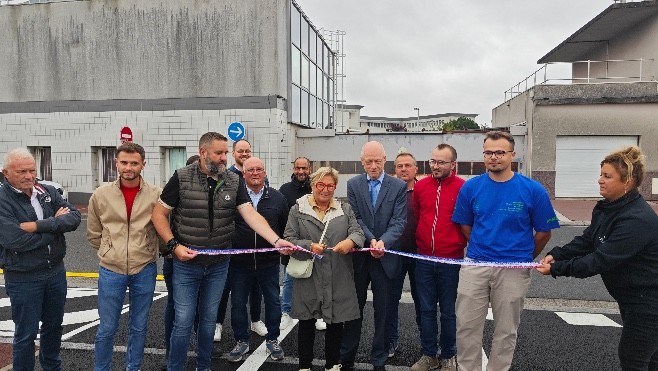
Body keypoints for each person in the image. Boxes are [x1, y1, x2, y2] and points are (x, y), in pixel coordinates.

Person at [151, 132, 295, 371]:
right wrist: (173, 246)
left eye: (226, 152)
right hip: (186, 264)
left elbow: (250, 214)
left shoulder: (232, 180)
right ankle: (174, 367)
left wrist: (276, 240)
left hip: (218, 264)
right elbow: (159, 214)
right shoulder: (181, 177)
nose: (224, 158)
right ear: (203, 153)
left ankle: (204, 366)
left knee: (208, 322)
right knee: (184, 320)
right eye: (219, 153)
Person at [537, 146, 658, 371]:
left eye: (607, 176)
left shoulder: (637, 220)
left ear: (628, 181)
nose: (599, 180)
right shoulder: (608, 208)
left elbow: (599, 261)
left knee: (634, 359)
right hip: (633, 297)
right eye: (601, 174)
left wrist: (556, 269)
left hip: (648, 301)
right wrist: (558, 254)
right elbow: (588, 240)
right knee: (649, 359)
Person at [452, 131, 559, 371]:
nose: (494, 157)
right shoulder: (471, 188)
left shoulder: (533, 190)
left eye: (500, 152)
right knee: (466, 327)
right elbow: (465, 226)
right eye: (489, 152)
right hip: (475, 265)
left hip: (514, 269)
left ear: (513, 154)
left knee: (506, 330)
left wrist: (523, 257)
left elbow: (544, 232)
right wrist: (483, 247)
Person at [0, 148, 81, 371]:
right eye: (22, 171)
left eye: (32, 170)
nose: (29, 176)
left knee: (54, 327)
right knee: (26, 334)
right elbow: (15, 240)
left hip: (55, 272)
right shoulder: (2, 199)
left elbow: (73, 219)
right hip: (23, 277)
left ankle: (52, 368)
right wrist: (55, 226)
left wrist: (37, 226)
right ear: (5, 173)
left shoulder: (46, 191)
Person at [87, 142, 162, 371]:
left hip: (144, 268)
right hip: (111, 270)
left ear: (143, 164)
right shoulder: (100, 194)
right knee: (107, 328)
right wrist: (110, 251)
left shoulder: (156, 194)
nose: (128, 167)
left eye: (134, 163)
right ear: (116, 163)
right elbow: (93, 233)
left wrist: (146, 250)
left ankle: (133, 367)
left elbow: (161, 228)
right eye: (124, 162)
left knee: (139, 327)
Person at [284, 166, 365, 371]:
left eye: (330, 185)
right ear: (313, 185)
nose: (325, 189)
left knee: (336, 322)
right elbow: (289, 240)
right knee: (306, 321)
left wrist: (351, 242)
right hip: (309, 274)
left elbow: (358, 232)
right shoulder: (298, 209)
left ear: (335, 187)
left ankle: (332, 365)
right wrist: (308, 246)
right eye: (320, 184)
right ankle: (304, 366)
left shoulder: (344, 209)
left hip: (338, 272)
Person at [341, 141, 407, 371]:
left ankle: (379, 360)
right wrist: (371, 241)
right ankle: (346, 358)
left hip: (386, 258)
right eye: (368, 161)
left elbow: (399, 221)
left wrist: (383, 242)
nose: (373, 165)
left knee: (384, 312)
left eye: (377, 161)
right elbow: (355, 217)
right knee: (352, 310)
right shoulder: (353, 184)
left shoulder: (398, 187)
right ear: (362, 162)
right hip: (360, 257)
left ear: (385, 160)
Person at [227, 157, 289, 363]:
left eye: (259, 169)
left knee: (273, 301)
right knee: (237, 303)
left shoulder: (278, 198)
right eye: (250, 170)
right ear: (243, 174)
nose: (255, 173)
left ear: (265, 172)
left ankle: (273, 340)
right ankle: (241, 340)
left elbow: (283, 227)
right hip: (239, 263)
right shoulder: (234, 197)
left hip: (268, 262)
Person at [410, 144, 466, 371]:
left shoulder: (463, 188)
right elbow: (417, 215)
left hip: (451, 260)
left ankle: (449, 355)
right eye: (432, 161)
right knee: (426, 310)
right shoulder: (421, 187)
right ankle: (429, 354)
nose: (435, 166)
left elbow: (467, 222)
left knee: (449, 312)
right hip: (423, 259)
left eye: (441, 162)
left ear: (453, 164)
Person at [215, 138, 267, 341]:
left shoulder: (257, 173)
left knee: (256, 286)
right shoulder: (225, 176)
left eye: (247, 150)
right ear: (233, 153)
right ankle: (217, 324)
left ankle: (255, 321)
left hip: (254, 243)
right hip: (229, 243)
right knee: (224, 286)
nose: (244, 154)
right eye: (240, 151)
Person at [278, 156, 327, 331]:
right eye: (298, 168)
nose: (301, 171)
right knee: (290, 279)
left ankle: (319, 314)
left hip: (316, 243)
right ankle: (286, 313)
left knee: (317, 280)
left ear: (309, 169)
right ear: (293, 169)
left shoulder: (316, 187)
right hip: (294, 244)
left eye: (304, 168)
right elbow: (281, 217)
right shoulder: (285, 190)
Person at [161, 154, 199, 370]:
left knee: (199, 308)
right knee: (176, 307)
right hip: (177, 260)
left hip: (203, 261)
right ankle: (171, 351)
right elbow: (162, 220)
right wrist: (170, 248)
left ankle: (196, 348)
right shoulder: (177, 189)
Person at [386, 151, 420, 358]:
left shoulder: (424, 190)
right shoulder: (389, 192)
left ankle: (428, 345)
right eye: (400, 166)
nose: (404, 169)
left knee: (423, 302)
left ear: (416, 169)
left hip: (420, 256)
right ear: (394, 170)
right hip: (394, 254)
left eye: (408, 165)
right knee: (390, 301)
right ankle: (390, 342)